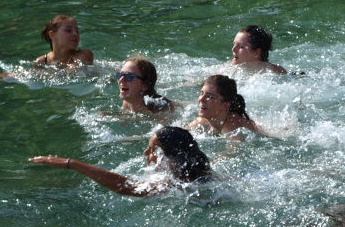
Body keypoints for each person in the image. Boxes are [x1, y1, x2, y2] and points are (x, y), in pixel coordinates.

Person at [29, 126, 210, 197]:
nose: (145, 152)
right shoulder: (199, 172)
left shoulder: (178, 183)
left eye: (153, 150)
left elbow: (128, 187)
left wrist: (73, 164)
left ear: (173, 160)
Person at [187, 75, 264, 139]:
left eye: (210, 97)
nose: (201, 99)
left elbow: (234, 150)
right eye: (201, 93)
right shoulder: (202, 121)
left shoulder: (232, 128)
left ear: (225, 105)